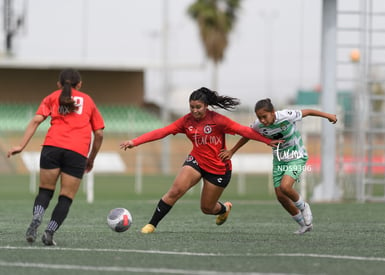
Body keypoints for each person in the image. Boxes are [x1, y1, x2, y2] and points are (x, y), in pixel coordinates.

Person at [120, 87, 282, 234]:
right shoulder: (186, 121)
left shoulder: (218, 120)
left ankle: (224, 209)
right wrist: (135, 141)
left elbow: (244, 131)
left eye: (198, 107)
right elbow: (163, 131)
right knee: (175, 191)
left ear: (206, 106)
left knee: (207, 208)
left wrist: (268, 141)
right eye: (192, 107)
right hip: (196, 161)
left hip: (218, 168)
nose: (195, 111)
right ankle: (151, 225)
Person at [7, 69, 105, 245]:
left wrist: (21, 146)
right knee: (65, 197)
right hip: (77, 152)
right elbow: (99, 134)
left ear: (59, 84)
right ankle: (49, 231)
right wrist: (91, 158)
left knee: (45, 191)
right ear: (80, 84)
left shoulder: (52, 97)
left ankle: (37, 215)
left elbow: (36, 120)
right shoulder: (88, 101)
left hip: (52, 147)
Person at [219, 98, 337, 234]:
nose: (262, 120)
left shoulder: (285, 116)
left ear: (273, 112)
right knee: (281, 196)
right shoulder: (258, 125)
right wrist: (232, 151)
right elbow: (247, 135)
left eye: (264, 116)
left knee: (285, 187)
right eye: (259, 117)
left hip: (296, 156)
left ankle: (304, 207)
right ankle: (304, 225)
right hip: (279, 160)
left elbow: (308, 112)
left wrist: (328, 116)